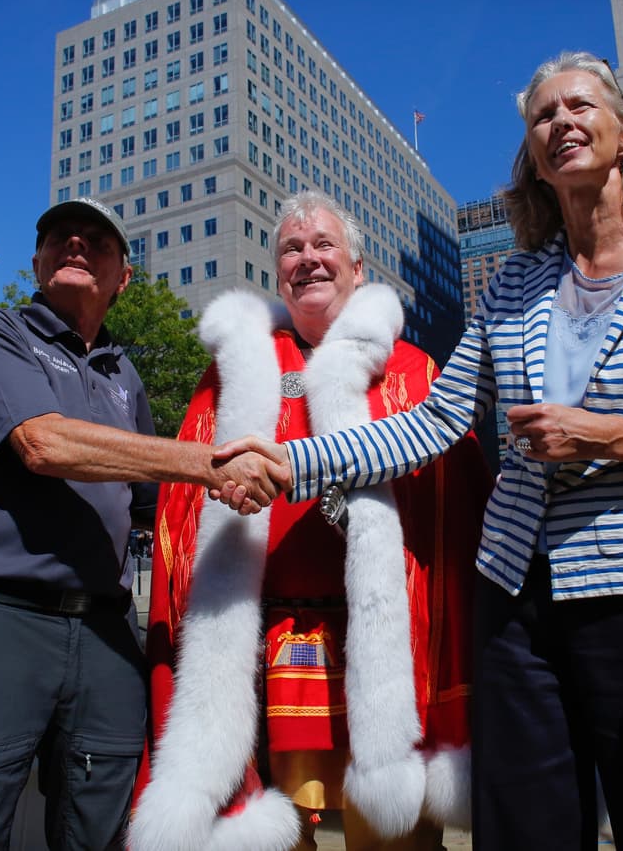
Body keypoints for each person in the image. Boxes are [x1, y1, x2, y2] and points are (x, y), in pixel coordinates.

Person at [219, 52, 623, 849]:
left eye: (579, 106)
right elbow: (432, 421)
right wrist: (292, 464)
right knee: (523, 827)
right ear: (533, 160)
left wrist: (619, 436)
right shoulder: (516, 283)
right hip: (515, 600)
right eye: (541, 117)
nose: (560, 122)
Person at [0, 197, 285, 850]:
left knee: (102, 829)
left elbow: (155, 505)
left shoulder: (123, 376)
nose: (76, 245)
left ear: (123, 277)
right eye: (61, 236)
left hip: (106, 633)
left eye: (97, 241)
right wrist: (213, 461)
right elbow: (45, 445)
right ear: (37, 261)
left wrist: (273, 536)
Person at [129, 191, 491, 851]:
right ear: (277, 273)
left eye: (323, 244)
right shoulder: (233, 376)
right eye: (291, 249)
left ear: (358, 266)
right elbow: (183, 517)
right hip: (268, 648)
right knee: (275, 833)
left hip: (390, 657)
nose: (307, 259)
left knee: (396, 838)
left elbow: (458, 519)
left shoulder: (413, 374)